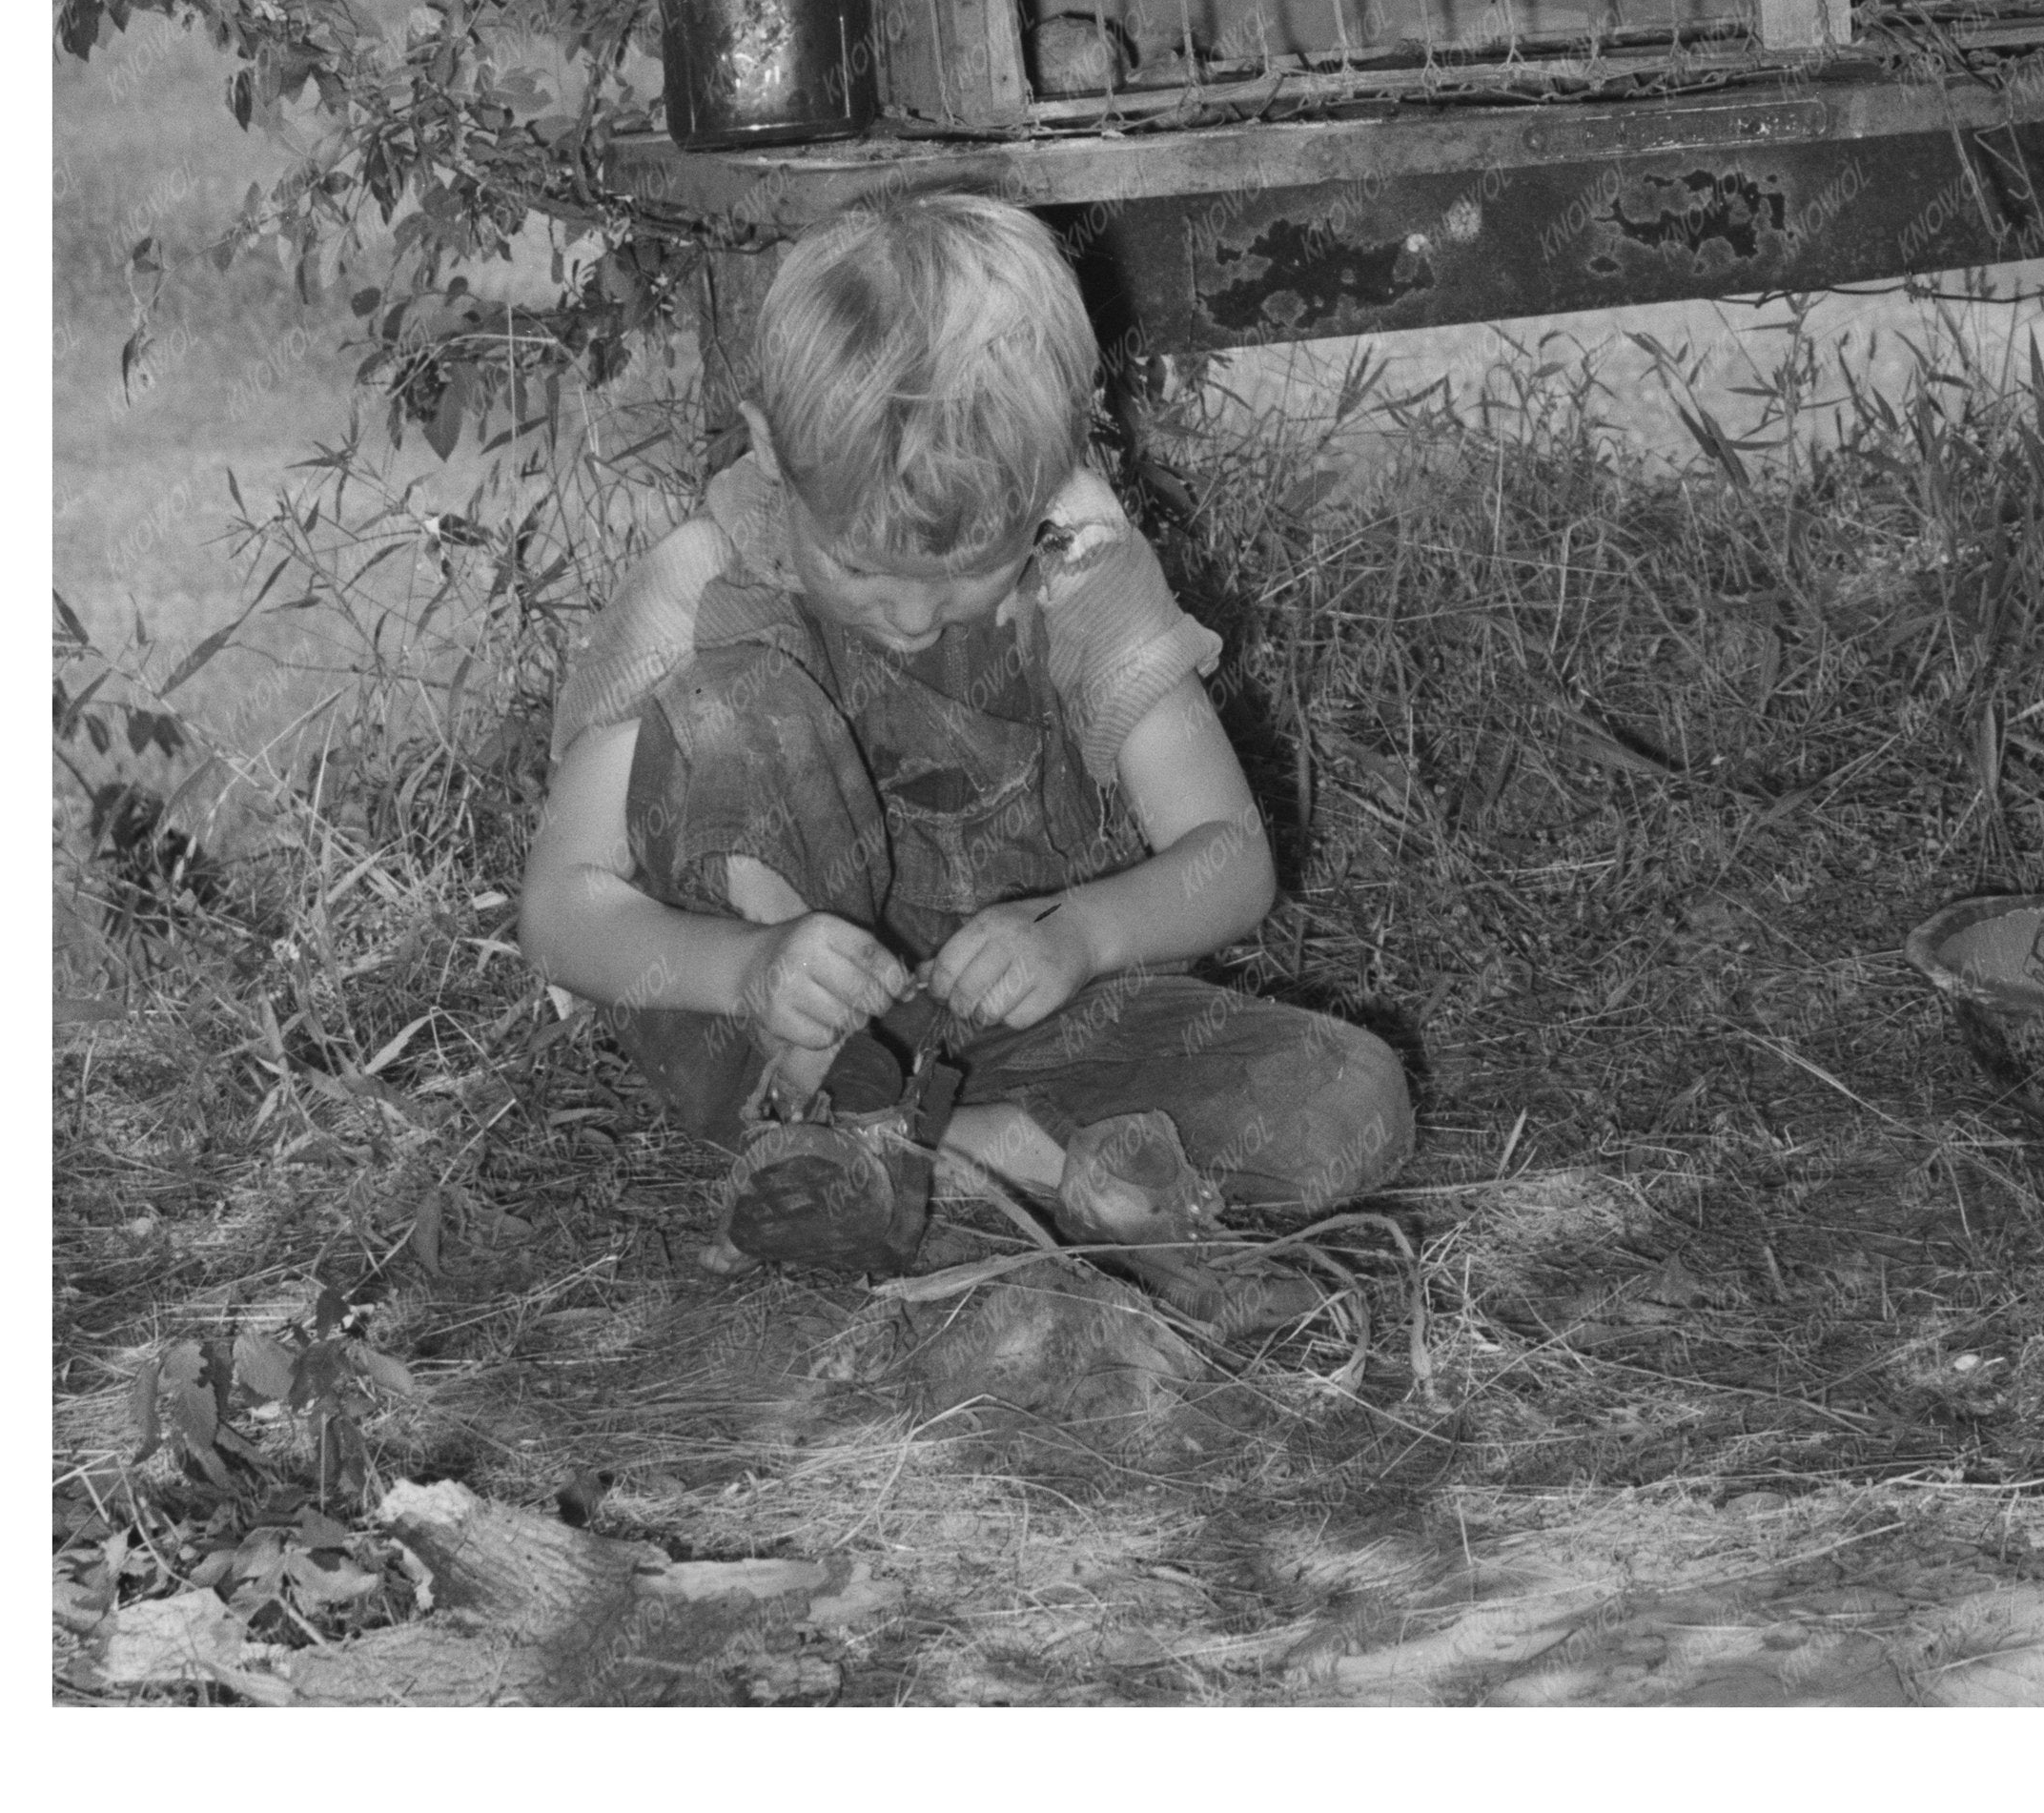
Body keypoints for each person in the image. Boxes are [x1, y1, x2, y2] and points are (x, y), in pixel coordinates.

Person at [520, 194, 1407, 1310]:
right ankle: (893, 1146)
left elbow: (1231, 855)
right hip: (776, 1035)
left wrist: (1083, 932)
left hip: (1031, 1022)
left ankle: (951, 1162)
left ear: (1048, 479)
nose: (905, 617)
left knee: (1351, 1098)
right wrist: (749, 969)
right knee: (735, 701)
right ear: (768, 449)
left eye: (963, 577)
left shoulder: (1079, 567)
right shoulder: (699, 584)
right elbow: (559, 911)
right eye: (858, 570)